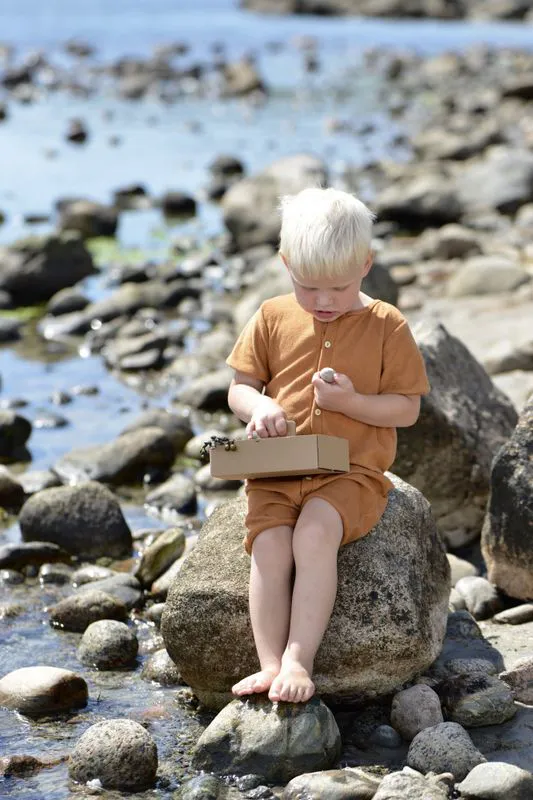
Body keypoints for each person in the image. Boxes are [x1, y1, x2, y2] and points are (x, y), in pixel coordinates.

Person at [225, 187, 430, 705]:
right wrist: (260, 409)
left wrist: (354, 403)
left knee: (313, 536)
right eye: (307, 285)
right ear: (285, 263)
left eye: (337, 288)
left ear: (366, 265)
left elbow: (407, 408)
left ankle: (300, 659)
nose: (322, 301)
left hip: (350, 474)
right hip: (277, 469)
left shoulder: (387, 325)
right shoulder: (272, 315)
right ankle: (269, 664)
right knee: (270, 547)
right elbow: (239, 387)